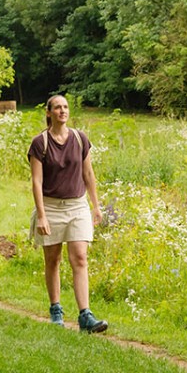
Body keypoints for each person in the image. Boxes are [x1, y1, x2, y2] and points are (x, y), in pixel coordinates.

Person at [28, 94, 108, 332]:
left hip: (77, 206)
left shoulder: (80, 139)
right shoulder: (40, 143)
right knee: (53, 260)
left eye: (65, 107)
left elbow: (88, 175)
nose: (62, 111)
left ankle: (85, 316)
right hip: (51, 207)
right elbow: (36, 181)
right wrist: (41, 215)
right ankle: (56, 311)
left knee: (80, 258)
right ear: (49, 112)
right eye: (57, 107)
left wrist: (96, 206)